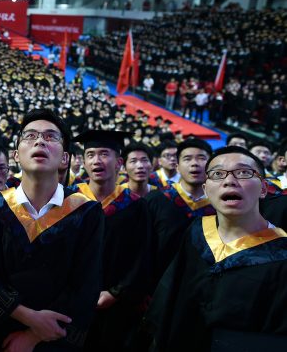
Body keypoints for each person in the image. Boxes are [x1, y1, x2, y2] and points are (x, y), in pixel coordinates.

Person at [0, 109, 104, 351]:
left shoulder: (87, 213)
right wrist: (28, 317)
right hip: (2, 339)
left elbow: (86, 285)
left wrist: (34, 336)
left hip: (56, 339)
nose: (39, 141)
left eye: (50, 137)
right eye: (30, 136)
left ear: (65, 158)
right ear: (16, 155)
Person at [144, 146, 287, 351]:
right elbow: (171, 298)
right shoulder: (197, 233)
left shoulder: (280, 254)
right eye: (217, 174)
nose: (229, 180)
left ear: (264, 188)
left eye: (243, 173)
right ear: (205, 190)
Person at [69, 130, 151, 351]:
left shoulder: (135, 205)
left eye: (104, 154)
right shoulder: (68, 200)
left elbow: (141, 255)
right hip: (71, 302)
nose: (97, 160)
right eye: (90, 154)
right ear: (83, 161)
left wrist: (116, 292)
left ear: (119, 162)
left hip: (116, 305)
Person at [145, 138, 215, 288]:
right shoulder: (156, 199)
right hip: (154, 285)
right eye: (187, 158)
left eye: (201, 158)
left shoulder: (219, 207)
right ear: (177, 166)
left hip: (199, 287)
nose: (194, 163)